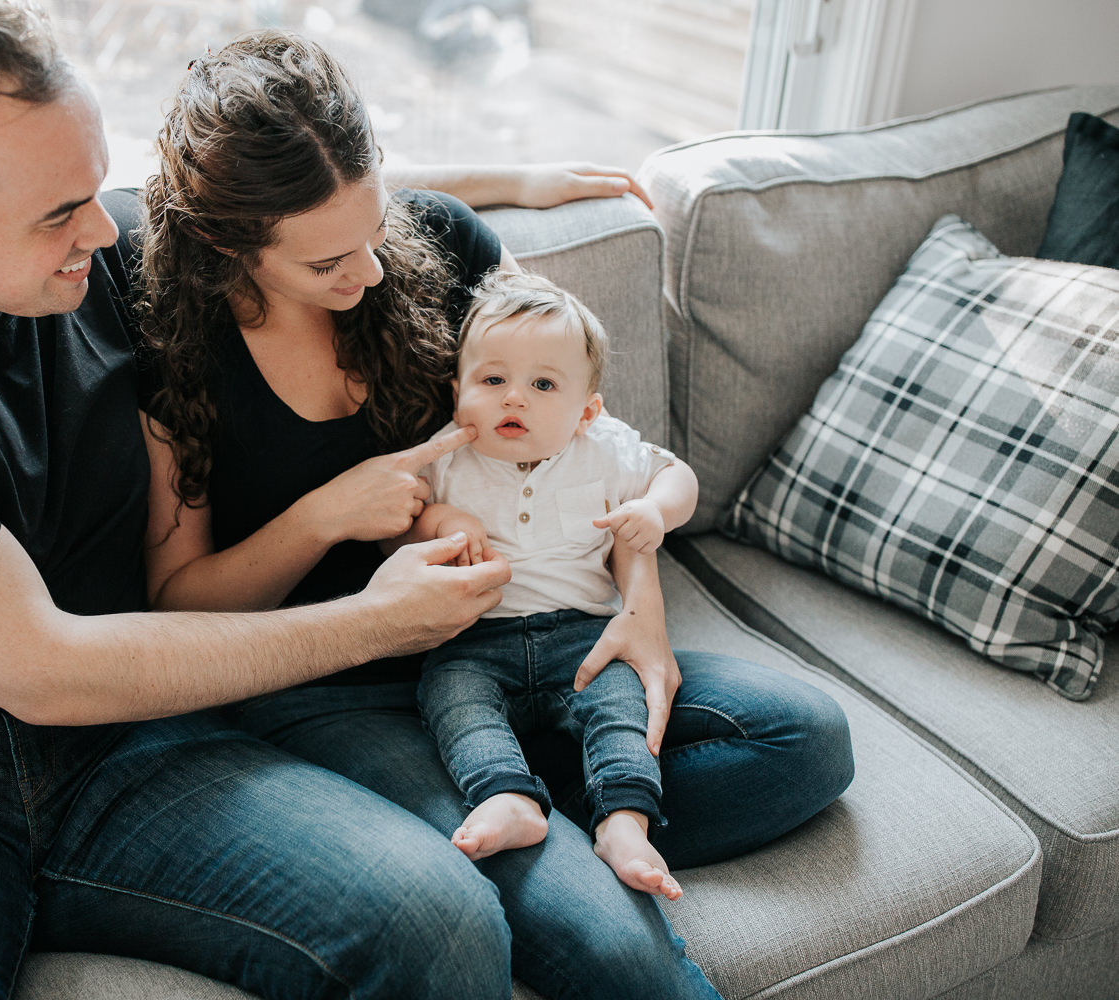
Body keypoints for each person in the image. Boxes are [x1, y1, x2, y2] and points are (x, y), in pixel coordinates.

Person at [0, 2, 649, 997]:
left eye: (93, 189)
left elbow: (284, 207)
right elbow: (43, 668)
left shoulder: (82, 253)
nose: (103, 230)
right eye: (61, 214)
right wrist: (371, 622)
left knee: (438, 921)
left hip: (127, 751)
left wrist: (514, 181)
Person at [138, 28, 855, 1000]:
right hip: (335, 687)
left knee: (805, 738)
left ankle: (523, 794)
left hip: (525, 641)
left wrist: (639, 605)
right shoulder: (174, 346)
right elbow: (180, 602)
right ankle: (525, 813)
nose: (372, 275)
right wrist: (326, 514)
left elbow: (593, 442)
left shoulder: (436, 246)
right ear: (228, 241)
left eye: (374, 228)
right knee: (614, 950)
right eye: (327, 264)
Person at [404, 268, 700, 902]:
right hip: (475, 638)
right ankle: (507, 796)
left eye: (543, 384)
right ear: (458, 391)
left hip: (585, 637)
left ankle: (624, 822)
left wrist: (656, 511)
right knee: (451, 698)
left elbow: (677, 475)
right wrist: (440, 519)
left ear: (586, 410)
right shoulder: (448, 456)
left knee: (624, 712)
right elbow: (404, 520)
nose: (515, 398)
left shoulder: (604, 448)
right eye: (492, 380)